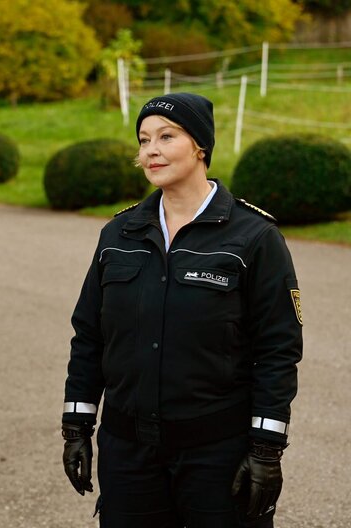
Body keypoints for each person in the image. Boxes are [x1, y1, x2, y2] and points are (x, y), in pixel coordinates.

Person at [61, 92, 302, 528]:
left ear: (200, 146)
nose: (150, 150)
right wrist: (77, 427)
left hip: (217, 454)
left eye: (166, 136)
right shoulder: (119, 233)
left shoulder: (254, 238)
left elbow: (278, 349)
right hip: (129, 456)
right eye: (143, 139)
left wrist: (266, 450)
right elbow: (90, 336)